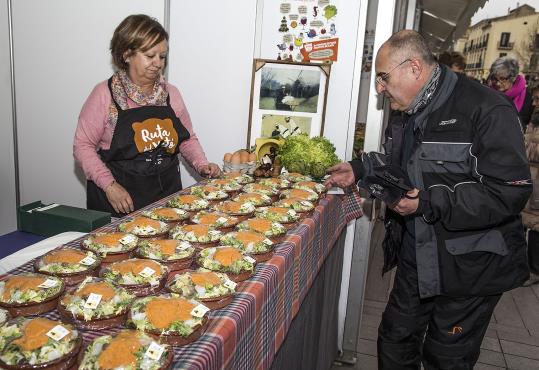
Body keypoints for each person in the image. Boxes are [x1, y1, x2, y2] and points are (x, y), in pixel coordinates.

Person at [325, 30, 531, 369]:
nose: (378, 87)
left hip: (471, 266)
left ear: (415, 68)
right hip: (418, 253)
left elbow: (510, 191)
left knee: (445, 357)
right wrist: (360, 169)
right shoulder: (409, 109)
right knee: (394, 340)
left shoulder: (487, 108)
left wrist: (427, 203)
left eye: (383, 77)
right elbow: (403, 167)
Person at [74, 14, 220, 217]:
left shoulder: (171, 94)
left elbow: (186, 139)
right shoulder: (105, 95)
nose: (158, 63)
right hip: (118, 202)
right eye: (150, 56)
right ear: (126, 54)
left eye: (162, 56)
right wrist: (109, 186)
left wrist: (202, 165)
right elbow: (83, 146)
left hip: (166, 199)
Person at [488, 56, 533, 129]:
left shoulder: (528, 99)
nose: (498, 83)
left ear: (513, 77)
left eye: (502, 79)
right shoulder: (488, 93)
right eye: (494, 79)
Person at [523, 84, 539, 286]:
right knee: (527, 222)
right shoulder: (533, 117)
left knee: (536, 225)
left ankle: (535, 270)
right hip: (531, 175)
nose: (534, 102)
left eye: (538, 98)